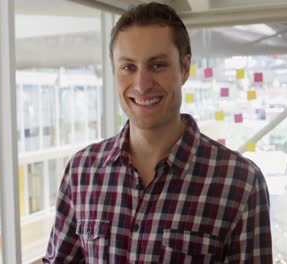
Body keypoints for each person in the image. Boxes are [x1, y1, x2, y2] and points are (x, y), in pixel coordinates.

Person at [43, 2, 272, 263]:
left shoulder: (240, 182)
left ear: (185, 68)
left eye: (158, 65)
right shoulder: (82, 171)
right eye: (128, 67)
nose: (141, 85)